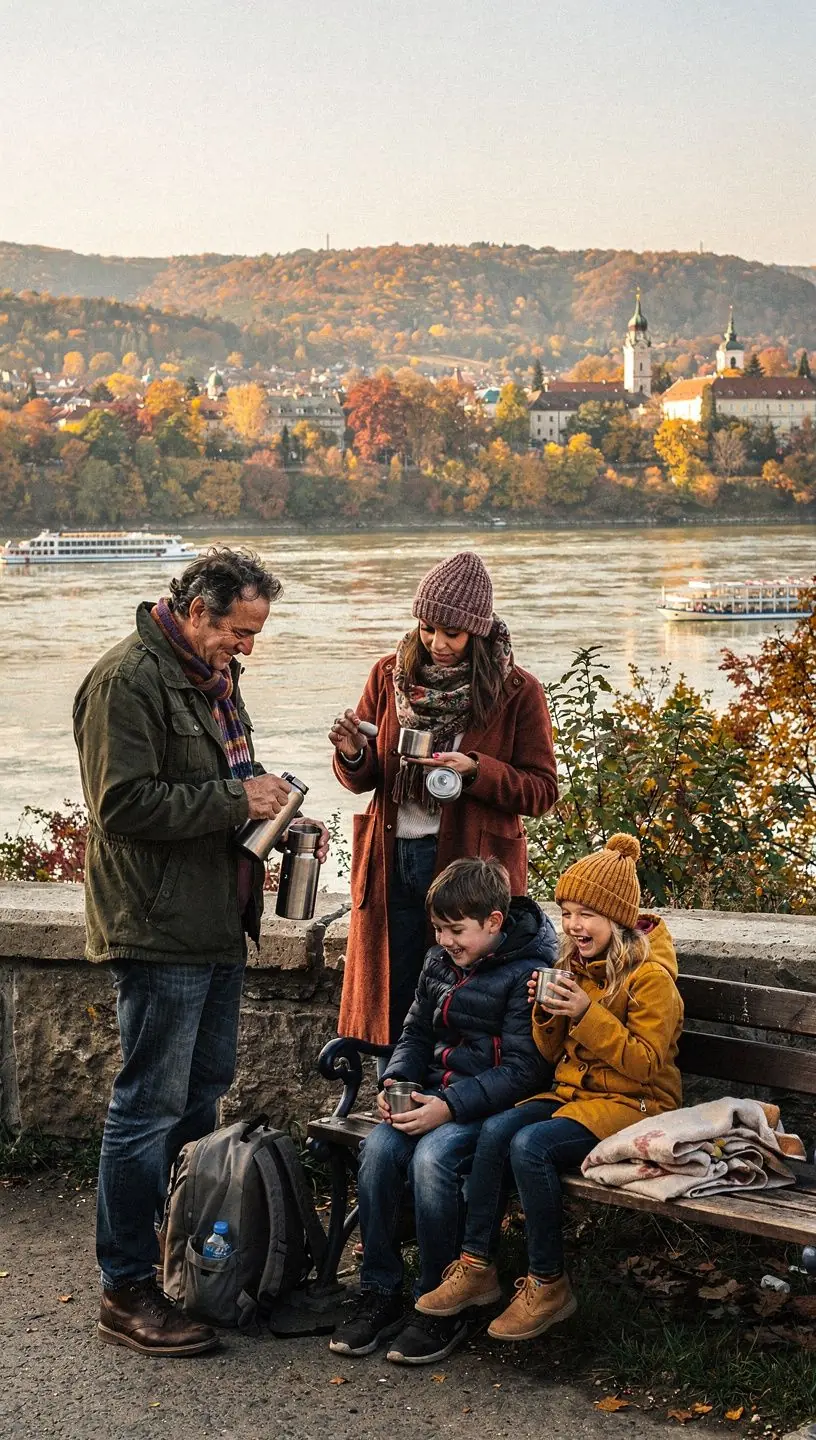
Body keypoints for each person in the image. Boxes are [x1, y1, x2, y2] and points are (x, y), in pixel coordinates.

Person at [73, 547, 328, 1357]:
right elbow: (121, 806)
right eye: (240, 632)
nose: (248, 648)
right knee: (147, 1107)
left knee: (200, 1098)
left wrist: (276, 815)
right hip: (155, 926)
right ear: (196, 611)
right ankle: (126, 1289)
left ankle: (181, 1263)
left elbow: (229, 781)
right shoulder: (127, 681)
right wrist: (234, 798)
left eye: (254, 633)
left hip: (215, 920)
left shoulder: (211, 678)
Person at [417, 833, 683, 1342]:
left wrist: (586, 1014)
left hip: (636, 1104)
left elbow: (646, 1065)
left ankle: (548, 1281)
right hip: (575, 1099)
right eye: (565, 912)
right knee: (497, 1130)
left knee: (529, 1145)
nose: (573, 925)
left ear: (616, 918)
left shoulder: (651, 978)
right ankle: (476, 1266)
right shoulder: (574, 966)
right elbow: (551, 1048)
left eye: (586, 914)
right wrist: (548, 1010)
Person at [329, 857, 556, 1366]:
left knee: (433, 1160)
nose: (445, 939)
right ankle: (380, 1289)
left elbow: (525, 1071)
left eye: (456, 930)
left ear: (494, 922)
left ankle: (438, 1301)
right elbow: (415, 1033)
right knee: (380, 1150)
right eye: (438, 928)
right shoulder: (439, 962)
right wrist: (394, 1082)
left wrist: (449, 1108)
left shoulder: (528, 973)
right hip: (431, 1094)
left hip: (485, 1105)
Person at [328, 550, 558, 1048]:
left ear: (477, 631)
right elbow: (366, 777)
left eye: (452, 633)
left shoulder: (517, 691)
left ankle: (447, 1105)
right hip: (392, 860)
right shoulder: (388, 676)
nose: (438, 643)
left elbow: (542, 791)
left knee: (462, 1005)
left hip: (471, 868)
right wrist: (351, 753)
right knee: (393, 995)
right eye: (428, 629)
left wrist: (477, 771)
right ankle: (391, 1097)